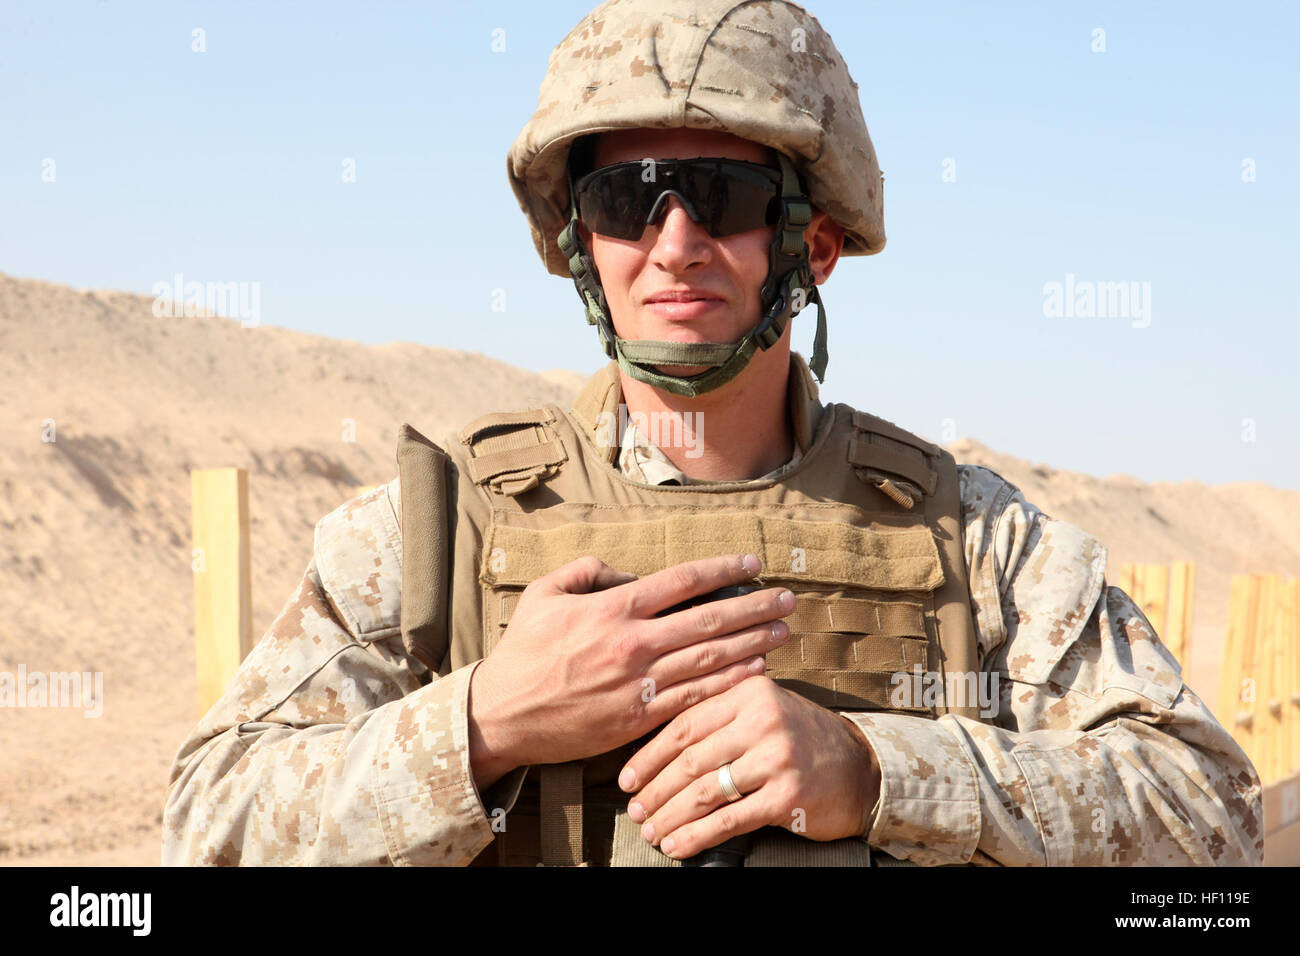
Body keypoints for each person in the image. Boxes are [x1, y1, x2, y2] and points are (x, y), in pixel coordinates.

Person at [162, 0, 1262, 867]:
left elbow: (1208, 812)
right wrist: (485, 721)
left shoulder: (967, 535)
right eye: (626, 196)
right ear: (577, 242)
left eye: (721, 194)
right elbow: (210, 824)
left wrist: (878, 771)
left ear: (813, 242)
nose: (674, 241)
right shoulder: (435, 529)